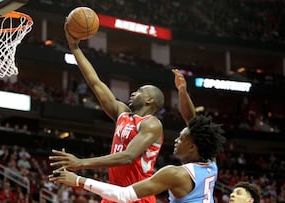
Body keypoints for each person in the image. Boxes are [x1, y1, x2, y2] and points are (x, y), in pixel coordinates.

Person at [50, 21, 194, 203]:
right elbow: (95, 82)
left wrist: (81, 163)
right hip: (113, 193)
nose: (134, 92)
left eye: (140, 91)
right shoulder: (123, 114)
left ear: (150, 100)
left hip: (137, 196)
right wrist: (75, 48)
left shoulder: (151, 123)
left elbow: (128, 157)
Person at [50, 114, 226, 203]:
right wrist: (182, 92)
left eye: (181, 138)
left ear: (192, 147)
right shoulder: (212, 165)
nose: (176, 140)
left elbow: (124, 195)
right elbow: (192, 117)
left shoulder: (175, 174)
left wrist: (78, 180)